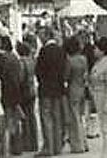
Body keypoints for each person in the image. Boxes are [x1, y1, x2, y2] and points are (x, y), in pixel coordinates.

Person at [35, 29, 68, 157]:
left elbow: (38, 70)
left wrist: (42, 80)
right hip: (58, 89)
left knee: (46, 118)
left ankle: (49, 147)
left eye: (41, 35)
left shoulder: (44, 51)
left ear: (46, 36)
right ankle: (58, 146)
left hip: (46, 89)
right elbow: (65, 68)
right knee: (57, 117)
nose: (40, 38)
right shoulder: (61, 50)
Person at [89, 36, 107, 158]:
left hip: (105, 96)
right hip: (97, 95)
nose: (94, 51)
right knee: (103, 125)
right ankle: (105, 151)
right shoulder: (98, 63)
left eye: (96, 48)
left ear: (102, 50)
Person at [0, 35, 24, 156]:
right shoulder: (15, 57)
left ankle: (6, 149)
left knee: (7, 123)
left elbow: (2, 76)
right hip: (16, 91)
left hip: (6, 92)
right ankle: (17, 147)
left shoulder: (3, 58)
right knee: (15, 121)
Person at [65, 36, 89, 154]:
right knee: (81, 116)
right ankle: (84, 142)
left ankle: (77, 145)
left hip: (73, 89)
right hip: (82, 88)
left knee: (74, 118)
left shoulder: (69, 61)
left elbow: (66, 76)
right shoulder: (83, 59)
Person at [16, 41, 39, 153]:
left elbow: (20, 78)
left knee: (25, 118)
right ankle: (34, 143)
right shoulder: (32, 61)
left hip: (24, 92)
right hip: (32, 90)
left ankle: (27, 143)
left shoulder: (21, 63)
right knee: (32, 116)